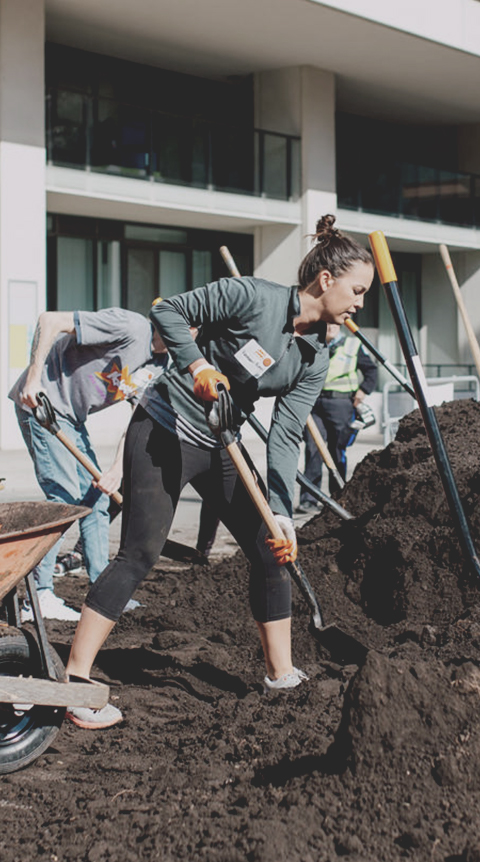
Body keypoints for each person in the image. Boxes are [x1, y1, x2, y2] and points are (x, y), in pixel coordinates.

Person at [62, 215, 373, 729]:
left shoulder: (315, 353)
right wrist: (196, 365)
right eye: (357, 290)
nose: (361, 302)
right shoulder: (253, 297)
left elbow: (287, 432)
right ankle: (73, 682)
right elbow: (167, 311)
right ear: (326, 281)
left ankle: (281, 676)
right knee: (141, 552)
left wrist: (282, 513)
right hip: (166, 427)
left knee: (268, 550)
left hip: (221, 443)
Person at [10, 307, 167, 621]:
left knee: (97, 502)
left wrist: (115, 472)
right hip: (43, 406)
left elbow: (139, 419)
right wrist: (33, 378)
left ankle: (103, 593)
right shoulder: (131, 326)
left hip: (72, 419)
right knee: (64, 497)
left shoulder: (159, 364)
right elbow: (49, 320)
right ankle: (37, 596)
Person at [298, 322, 377, 512]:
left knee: (337, 450)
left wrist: (363, 391)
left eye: (334, 323)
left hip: (341, 404)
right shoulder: (312, 345)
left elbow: (371, 371)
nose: (331, 327)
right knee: (313, 448)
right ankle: (309, 499)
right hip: (315, 404)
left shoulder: (353, 345)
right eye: (327, 324)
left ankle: (339, 496)